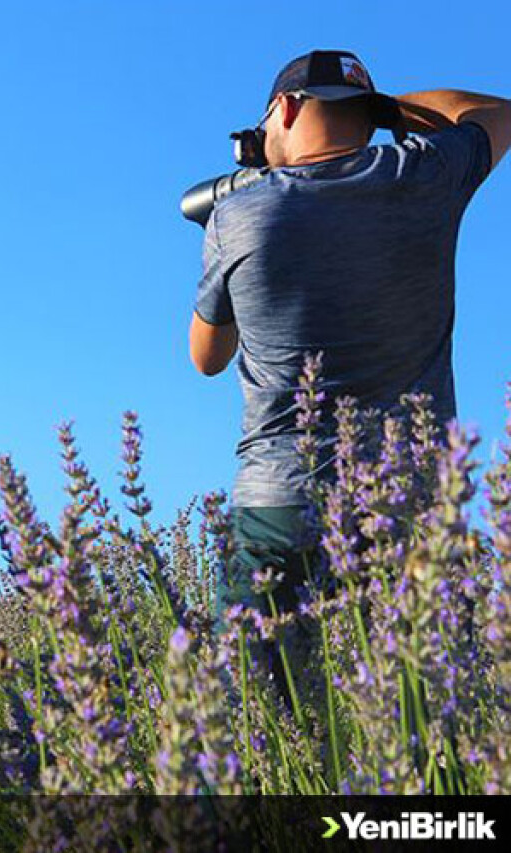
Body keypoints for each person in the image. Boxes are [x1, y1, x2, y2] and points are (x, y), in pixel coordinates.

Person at [189, 50, 509, 688]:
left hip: (278, 504)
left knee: (264, 727)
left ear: (283, 108)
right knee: (413, 718)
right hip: (406, 503)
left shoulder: (237, 215)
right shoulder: (425, 177)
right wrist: (381, 110)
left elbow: (207, 358)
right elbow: (498, 115)